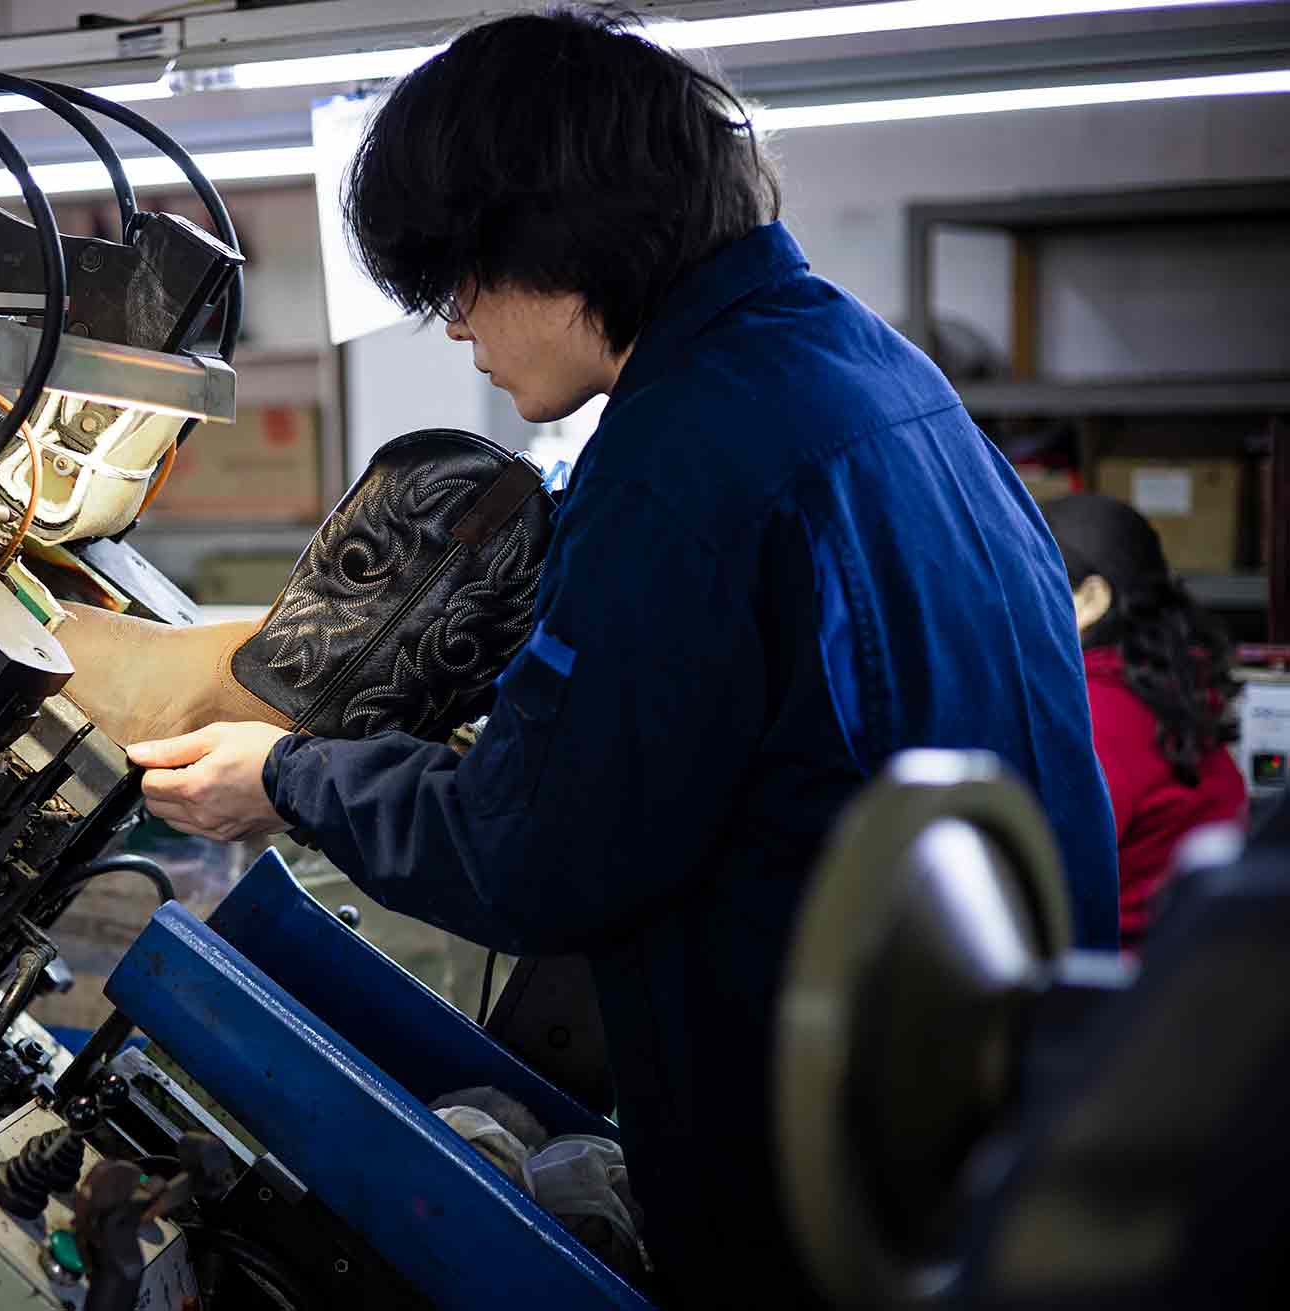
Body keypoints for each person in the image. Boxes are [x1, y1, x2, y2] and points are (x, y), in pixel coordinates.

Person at [126, 10, 1120, 1305]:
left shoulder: (682, 452)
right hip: (984, 1143)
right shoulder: (879, 377)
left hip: (817, 1191)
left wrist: (290, 775)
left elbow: (541, 852)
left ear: (552, 240)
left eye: (460, 281)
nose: (453, 327)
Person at [1040, 493, 1248, 951]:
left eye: (1019, 581)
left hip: (1122, 997)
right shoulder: (1162, 691)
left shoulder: (1094, 718)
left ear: (1088, 601)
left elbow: (1042, 882)